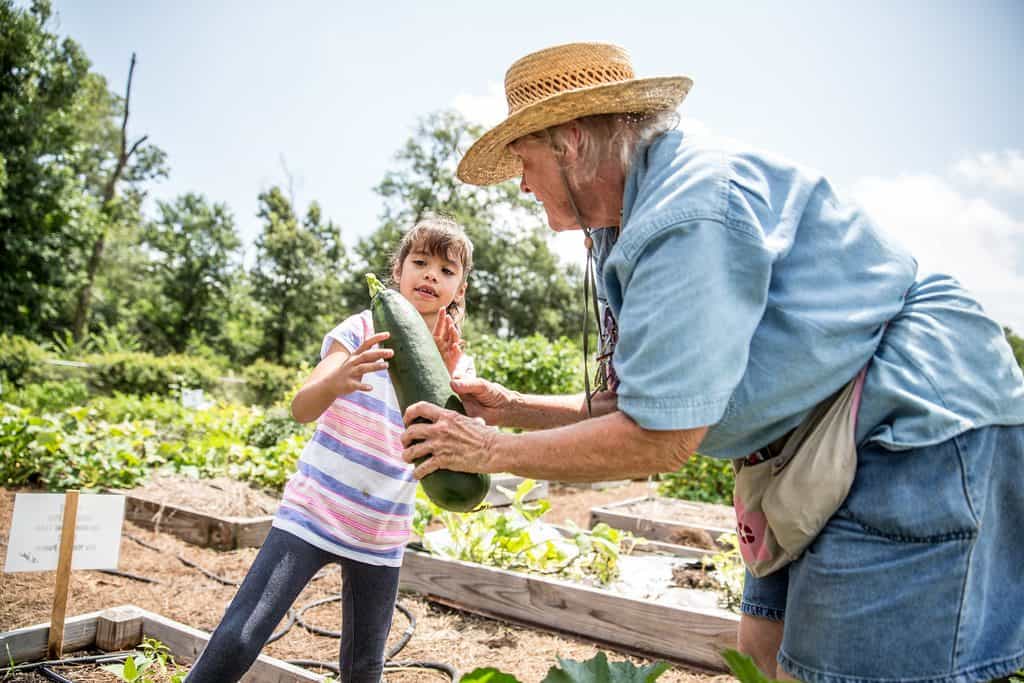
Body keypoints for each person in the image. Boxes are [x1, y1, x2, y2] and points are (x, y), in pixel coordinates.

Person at [398, 42, 1024, 682]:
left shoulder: (686, 212)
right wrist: (514, 410)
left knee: (834, 671)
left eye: (525, 162)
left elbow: (660, 439)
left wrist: (488, 450)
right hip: (807, 443)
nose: (523, 184)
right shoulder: (622, 219)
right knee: (761, 652)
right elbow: (644, 402)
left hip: (911, 422)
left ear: (572, 141)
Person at [186, 215, 475, 683]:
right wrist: (338, 381)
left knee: (364, 668)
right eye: (420, 262)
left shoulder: (456, 359)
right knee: (241, 635)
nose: (431, 276)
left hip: (381, 529)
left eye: (447, 271)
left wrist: (453, 374)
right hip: (313, 512)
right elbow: (302, 407)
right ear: (397, 270)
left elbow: (453, 445)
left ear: (460, 289)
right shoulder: (361, 328)